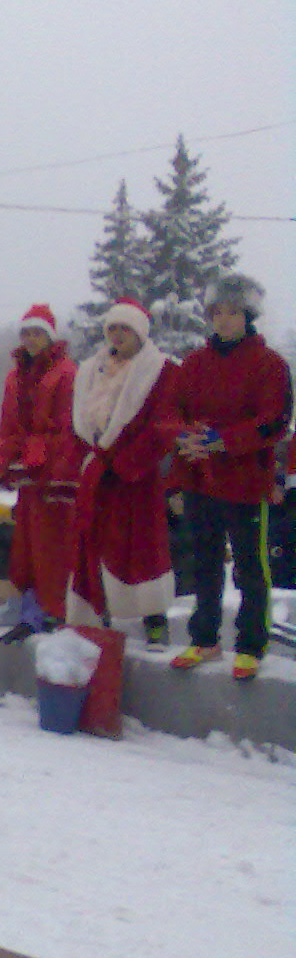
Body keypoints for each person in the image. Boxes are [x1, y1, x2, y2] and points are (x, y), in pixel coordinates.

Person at [164, 275, 292, 679]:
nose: (223, 320)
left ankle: (251, 643)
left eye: (233, 312)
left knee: (250, 565)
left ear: (248, 315)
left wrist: (225, 440)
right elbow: (172, 415)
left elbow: (275, 421)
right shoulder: (194, 364)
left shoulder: (269, 364)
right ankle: (204, 638)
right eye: (217, 312)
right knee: (204, 562)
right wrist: (182, 446)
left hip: (246, 482)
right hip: (200, 480)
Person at [61, 299, 177, 646]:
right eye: (112, 328)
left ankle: (154, 618)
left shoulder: (161, 371)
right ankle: (96, 617)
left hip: (134, 478)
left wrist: (124, 463)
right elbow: (75, 425)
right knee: (92, 546)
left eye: (125, 328)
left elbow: (163, 425)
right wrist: (84, 461)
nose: (118, 335)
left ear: (140, 332)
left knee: (140, 548)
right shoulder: (88, 371)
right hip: (95, 475)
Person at [0, 304, 77, 640]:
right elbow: (8, 423)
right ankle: (33, 608)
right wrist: (5, 460)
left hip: (53, 474)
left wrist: (52, 463)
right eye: (25, 333)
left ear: (50, 336)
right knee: (27, 544)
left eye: (37, 333)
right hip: (27, 474)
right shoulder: (14, 377)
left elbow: (68, 426)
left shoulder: (66, 373)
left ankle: (57, 608)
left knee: (54, 543)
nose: (30, 339)